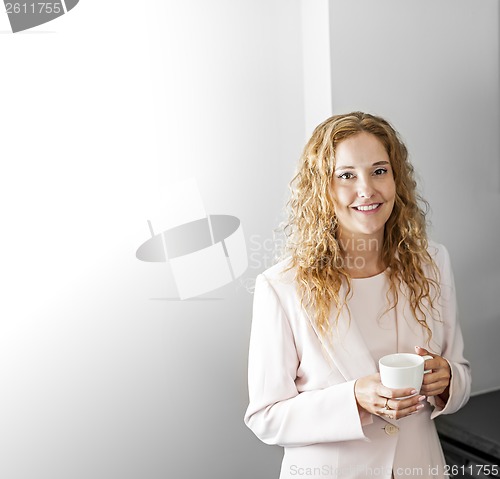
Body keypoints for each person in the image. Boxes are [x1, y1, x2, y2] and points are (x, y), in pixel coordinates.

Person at [244, 112, 471, 479]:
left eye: (379, 171)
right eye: (346, 175)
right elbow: (265, 417)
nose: (367, 189)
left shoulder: (433, 263)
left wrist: (447, 381)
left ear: (396, 178)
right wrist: (352, 399)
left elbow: (460, 374)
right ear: (322, 188)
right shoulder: (282, 286)